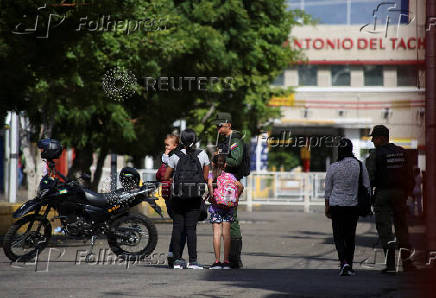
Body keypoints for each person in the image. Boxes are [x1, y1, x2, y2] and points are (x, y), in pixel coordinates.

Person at [365, 125, 417, 273]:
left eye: (374, 138)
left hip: (383, 194)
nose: (373, 141)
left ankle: (390, 265)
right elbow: (410, 176)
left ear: (381, 138)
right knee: (402, 229)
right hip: (400, 194)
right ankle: (407, 264)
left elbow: (369, 177)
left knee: (385, 230)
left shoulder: (376, 154)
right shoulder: (402, 152)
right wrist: (407, 193)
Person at [164, 129, 210, 269]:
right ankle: (193, 261)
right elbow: (206, 177)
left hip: (178, 197)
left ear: (181, 141)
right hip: (195, 197)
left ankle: (177, 260)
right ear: (194, 140)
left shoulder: (175, 155)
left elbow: (166, 177)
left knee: (177, 228)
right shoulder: (202, 154)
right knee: (191, 229)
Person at [325, 138, 370, 276]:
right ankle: (349, 265)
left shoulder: (333, 167)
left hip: (336, 206)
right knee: (350, 237)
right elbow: (367, 185)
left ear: (339, 150)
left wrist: (327, 207)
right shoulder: (360, 165)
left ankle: (343, 262)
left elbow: (328, 190)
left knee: (338, 236)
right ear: (351, 149)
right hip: (353, 206)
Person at [214, 112, 245, 269]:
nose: (218, 128)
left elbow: (236, 159)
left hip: (231, 184)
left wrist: (221, 158)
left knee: (231, 218)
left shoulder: (235, 140)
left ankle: (234, 258)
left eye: (221, 125)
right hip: (224, 182)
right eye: (217, 125)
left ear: (229, 125)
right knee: (225, 218)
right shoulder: (226, 140)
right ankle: (229, 258)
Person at [207, 154, 243, 269]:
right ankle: (226, 261)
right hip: (228, 208)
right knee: (226, 235)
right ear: (225, 165)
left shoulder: (211, 175)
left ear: (213, 164)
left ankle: (217, 261)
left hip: (216, 208)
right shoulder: (231, 176)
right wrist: (236, 198)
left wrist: (212, 195)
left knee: (216, 234)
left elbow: (210, 189)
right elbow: (240, 187)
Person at [155, 134, 187, 268]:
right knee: (181, 227)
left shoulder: (173, 158)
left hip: (172, 195)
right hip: (172, 196)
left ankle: (172, 254)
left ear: (175, 146)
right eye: (165, 145)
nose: (166, 147)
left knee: (179, 226)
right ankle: (175, 256)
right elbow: (161, 175)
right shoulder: (168, 159)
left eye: (168, 145)